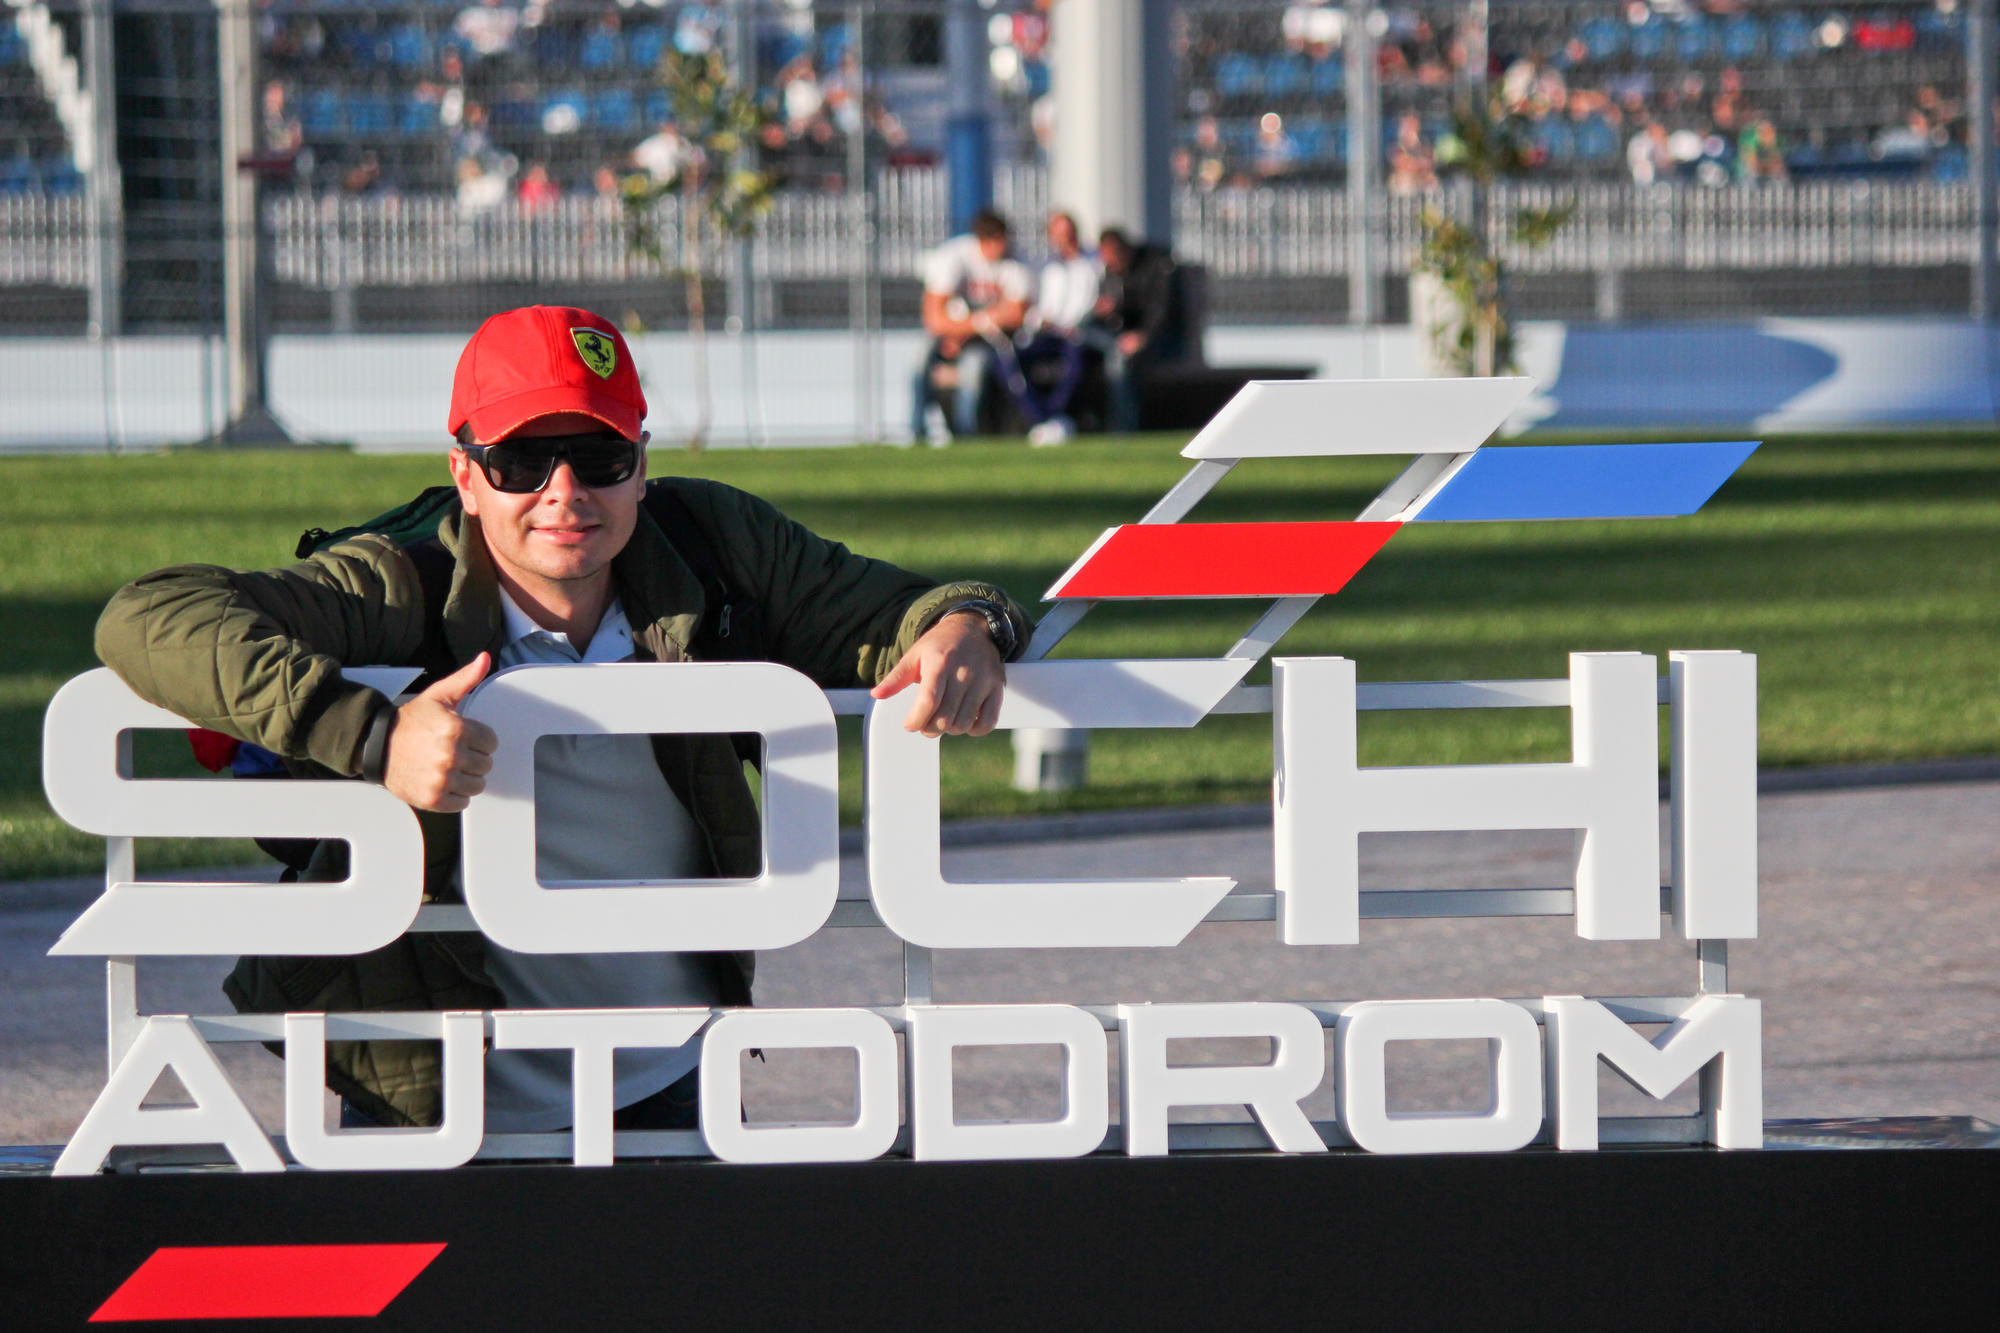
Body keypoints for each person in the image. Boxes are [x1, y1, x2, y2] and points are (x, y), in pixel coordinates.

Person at [94, 306, 1032, 1134]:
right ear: (465, 476)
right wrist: (376, 736)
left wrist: (967, 623)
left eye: (599, 457)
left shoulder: (710, 544)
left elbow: (897, 608)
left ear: (641, 467)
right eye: (520, 461)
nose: (564, 491)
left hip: (677, 1071)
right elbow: (147, 615)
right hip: (428, 1089)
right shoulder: (399, 579)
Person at [910, 208, 1032, 445]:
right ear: (984, 241)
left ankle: (965, 433)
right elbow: (933, 318)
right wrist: (980, 322)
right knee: (920, 360)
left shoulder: (1015, 261)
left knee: (973, 368)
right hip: (952, 335)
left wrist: (966, 330)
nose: (1003, 248)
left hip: (987, 340)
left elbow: (1016, 316)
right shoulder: (954, 257)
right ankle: (916, 430)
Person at [1013, 211, 1100, 447]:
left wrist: (1076, 324)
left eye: (1068, 234)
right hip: (1046, 335)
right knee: (1007, 358)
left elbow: (1093, 304)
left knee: (1077, 357)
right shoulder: (1042, 267)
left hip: (1078, 336)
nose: (1065, 240)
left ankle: (1055, 415)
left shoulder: (1093, 264)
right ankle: (1043, 419)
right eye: (1059, 235)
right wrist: (1039, 320)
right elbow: (1032, 306)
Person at [1094, 227, 1186, 433]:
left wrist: (1143, 336)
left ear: (1123, 249)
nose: (1110, 263)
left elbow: (1161, 311)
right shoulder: (1111, 273)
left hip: (1160, 339)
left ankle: (1124, 427)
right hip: (1123, 338)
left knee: (1118, 360)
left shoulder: (1157, 265)